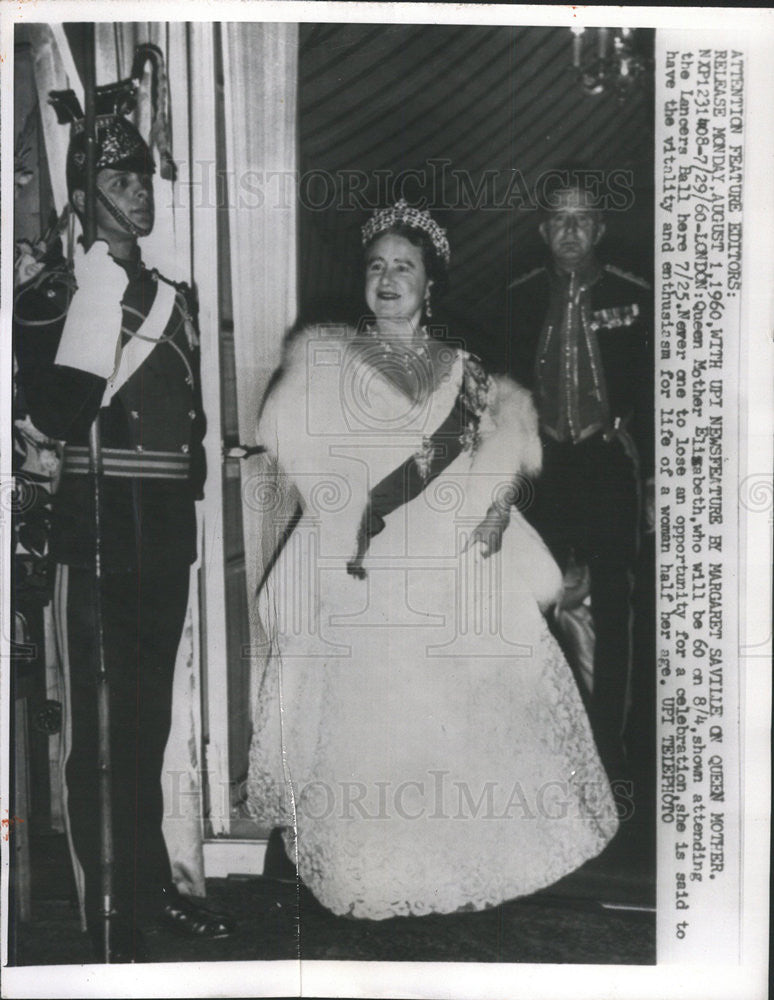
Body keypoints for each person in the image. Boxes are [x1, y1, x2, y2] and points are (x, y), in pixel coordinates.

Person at [246, 199, 619, 920]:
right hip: (363, 560)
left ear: (430, 284)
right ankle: (373, 871)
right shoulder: (326, 361)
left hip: (449, 559)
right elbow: (291, 446)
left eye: (404, 268)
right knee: (370, 724)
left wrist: (498, 506)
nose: (388, 280)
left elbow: (504, 451)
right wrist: (347, 509)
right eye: (377, 266)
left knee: (459, 718)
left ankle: (456, 866)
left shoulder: (466, 371)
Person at [13, 80, 234, 962]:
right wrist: (94, 299)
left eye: (145, 177)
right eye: (120, 178)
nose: (140, 192)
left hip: (158, 542)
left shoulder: (175, 295)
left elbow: (196, 439)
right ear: (84, 191)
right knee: (98, 736)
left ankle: (147, 891)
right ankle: (108, 907)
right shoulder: (53, 295)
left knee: (145, 729)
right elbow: (59, 411)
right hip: (93, 532)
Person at [505, 176, 654, 777]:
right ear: (543, 230)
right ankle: (543, 742)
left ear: (598, 229)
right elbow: (504, 390)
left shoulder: (635, 292)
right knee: (535, 597)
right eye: (558, 220)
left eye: (582, 219)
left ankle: (611, 749)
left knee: (616, 603)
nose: (570, 230)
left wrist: (650, 474)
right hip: (545, 464)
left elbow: (659, 386)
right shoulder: (516, 296)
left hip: (606, 461)